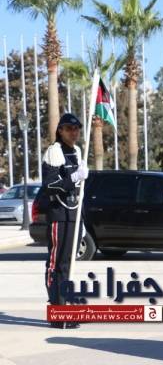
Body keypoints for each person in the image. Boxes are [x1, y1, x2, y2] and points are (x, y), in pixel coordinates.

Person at [42, 113, 89, 329]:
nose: (74, 132)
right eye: (69, 128)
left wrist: (82, 220)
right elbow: (50, 185)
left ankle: (67, 309)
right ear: (60, 130)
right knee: (56, 264)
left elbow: (79, 191)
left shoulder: (77, 152)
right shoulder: (54, 152)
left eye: (76, 128)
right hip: (59, 215)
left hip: (73, 214)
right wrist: (74, 177)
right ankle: (57, 312)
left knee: (69, 264)